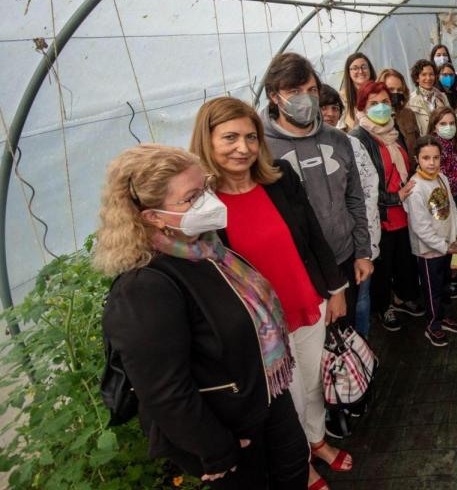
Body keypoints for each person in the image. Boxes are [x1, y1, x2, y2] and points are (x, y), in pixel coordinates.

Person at [97, 144, 309, 490]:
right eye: (192, 197)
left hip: (265, 394)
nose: (209, 201)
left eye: (206, 188)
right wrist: (215, 449)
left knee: (293, 469)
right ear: (153, 216)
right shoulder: (145, 287)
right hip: (231, 426)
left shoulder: (209, 250)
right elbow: (164, 390)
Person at [189, 97, 354, 489]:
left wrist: (336, 289)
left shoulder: (279, 176)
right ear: (207, 141)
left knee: (314, 383)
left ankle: (317, 440)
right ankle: (303, 462)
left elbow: (313, 234)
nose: (242, 147)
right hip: (263, 327)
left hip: (307, 301)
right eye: (229, 137)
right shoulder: (203, 207)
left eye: (250, 137)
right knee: (286, 398)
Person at [260, 53, 373, 326]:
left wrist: (362, 252)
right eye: (294, 91)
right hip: (298, 270)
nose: (306, 98)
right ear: (275, 96)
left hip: (345, 256)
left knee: (346, 338)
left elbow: (355, 198)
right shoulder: (261, 148)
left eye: (312, 90)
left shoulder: (337, 140)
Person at [348, 80, 424, 332]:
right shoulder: (358, 139)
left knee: (403, 258)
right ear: (362, 107)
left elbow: (405, 165)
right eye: (373, 104)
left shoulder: (393, 131)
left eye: (384, 103)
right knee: (383, 266)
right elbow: (362, 187)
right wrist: (395, 197)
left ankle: (402, 297)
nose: (380, 108)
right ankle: (384, 306)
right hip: (379, 215)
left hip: (402, 211)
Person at [320, 84, 381, 338]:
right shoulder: (302, 151)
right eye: (323, 107)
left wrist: (362, 243)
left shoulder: (351, 144)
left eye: (335, 107)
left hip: (357, 239)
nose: (330, 113)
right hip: (324, 247)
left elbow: (367, 191)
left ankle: (361, 348)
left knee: (360, 297)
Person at [402, 136, 457, 347]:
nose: (432, 162)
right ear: (417, 159)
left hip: (446, 246)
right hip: (429, 251)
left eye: (435, 157)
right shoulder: (415, 189)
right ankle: (432, 325)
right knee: (432, 290)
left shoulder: (441, 177)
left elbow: (451, 209)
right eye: (426, 158)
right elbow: (421, 228)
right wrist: (445, 246)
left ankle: (444, 317)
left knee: (445, 286)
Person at [426, 105, 457, 210]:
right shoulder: (434, 150)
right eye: (443, 124)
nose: (449, 127)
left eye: (452, 123)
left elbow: (452, 169)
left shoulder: (450, 143)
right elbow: (442, 183)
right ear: (434, 127)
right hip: (444, 201)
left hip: (455, 195)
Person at [378, 68, 419, 151]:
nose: (395, 93)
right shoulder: (374, 116)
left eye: (399, 90)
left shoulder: (408, 114)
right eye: (391, 89)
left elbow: (418, 143)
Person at [406, 59, 450, 136]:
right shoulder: (411, 101)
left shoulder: (442, 97)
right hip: (424, 144)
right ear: (417, 78)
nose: (428, 78)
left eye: (431, 74)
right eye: (424, 74)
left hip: (443, 142)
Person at [339, 53, 376, 130]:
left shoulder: (380, 92)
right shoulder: (342, 97)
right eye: (355, 68)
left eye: (364, 67)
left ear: (370, 69)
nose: (360, 71)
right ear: (348, 72)